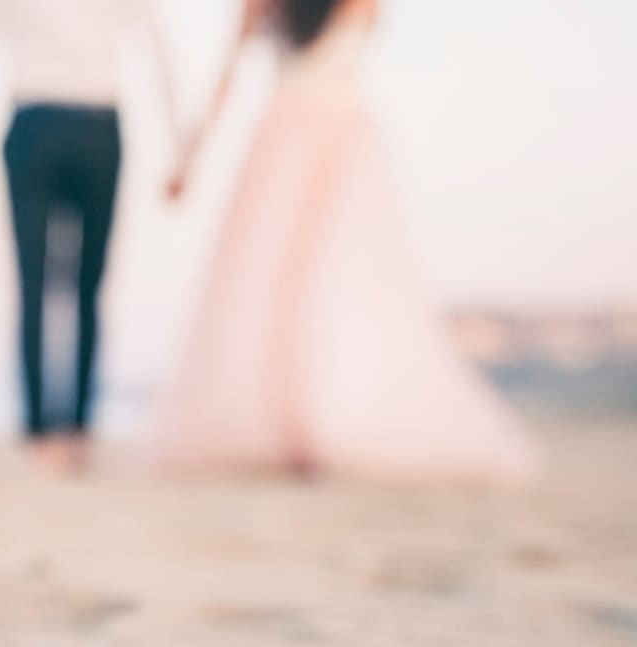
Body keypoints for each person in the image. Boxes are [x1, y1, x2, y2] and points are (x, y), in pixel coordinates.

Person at [153, 0, 538, 484]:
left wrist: (190, 157)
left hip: (286, 136)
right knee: (334, 288)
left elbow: (225, 79)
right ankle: (310, 421)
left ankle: (293, 423)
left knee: (272, 288)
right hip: (340, 134)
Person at [0, 0, 180, 462]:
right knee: (83, 287)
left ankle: (42, 430)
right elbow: (158, 48)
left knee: (40, 284)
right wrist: (175, 146)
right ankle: (73, 428)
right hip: (93, 125)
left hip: (39, 124)